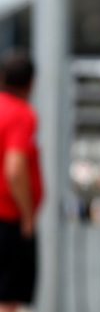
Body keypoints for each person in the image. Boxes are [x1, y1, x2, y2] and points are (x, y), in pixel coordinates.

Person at [0, 50, 42, 312]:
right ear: (30, 83)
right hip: (8, 220)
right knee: (8, 299)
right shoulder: (21, 114)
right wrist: (27, 215)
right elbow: (14, 169)